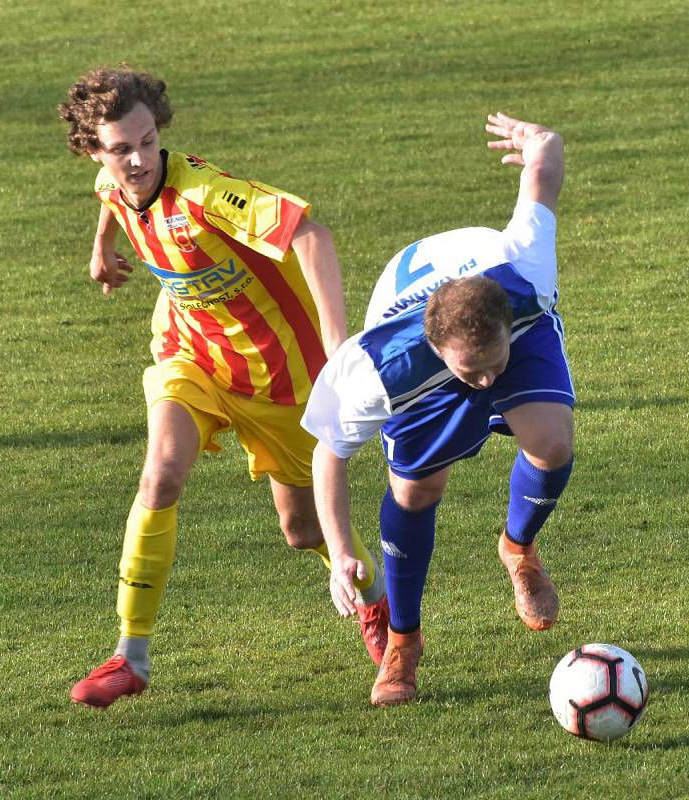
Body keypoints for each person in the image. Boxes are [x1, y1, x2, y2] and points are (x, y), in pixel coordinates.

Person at [59, 65, 388, 708]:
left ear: (160, 131)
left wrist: (338, 344)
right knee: (160, 475)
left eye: (148, 141)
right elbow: (109, 197)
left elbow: (312, 236)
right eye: (120, 148)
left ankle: (377, 606)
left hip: (282, 380)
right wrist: (103, 250)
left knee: (303, 531)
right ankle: (132, 654)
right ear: (94, 150)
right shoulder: (112, 180)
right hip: (193, 358)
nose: (138, 160)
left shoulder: (208, 194)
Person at [301, 113, 575, 706]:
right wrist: (341, 548)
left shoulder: (527, 275)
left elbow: (545, 169)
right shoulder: (377, 372)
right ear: (437, 349)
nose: (485, 381)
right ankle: (404, 641)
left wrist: (538, 143)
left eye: (493, 365)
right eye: (470, 371)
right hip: (416, 341)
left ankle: (518, 549)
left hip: (511, 318)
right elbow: (329, 452)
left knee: (551, 443)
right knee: (416, 493)